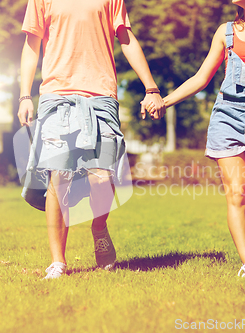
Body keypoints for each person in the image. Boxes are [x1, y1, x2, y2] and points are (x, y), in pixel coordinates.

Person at [145, 0, 245, 277]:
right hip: (227, 117)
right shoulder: (225, 32)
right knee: (237, 196)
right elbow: (201, 78)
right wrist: (164, 102)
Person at [18, 0, 166, 279]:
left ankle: (98, 226)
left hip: (100, 96)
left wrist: (151, 87)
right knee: (58, 177)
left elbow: (126, 38)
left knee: (101, 177)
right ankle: (58, 261)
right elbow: (31, 46)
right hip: (56, 95)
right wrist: (25, 95)